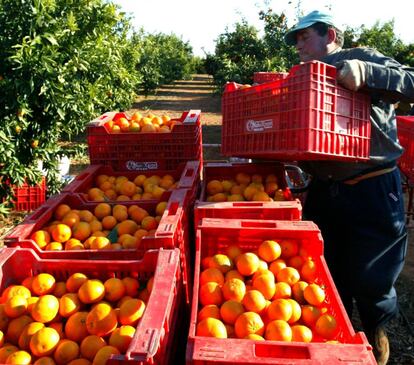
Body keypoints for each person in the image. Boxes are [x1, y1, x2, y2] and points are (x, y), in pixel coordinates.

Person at [284, 10, 414, 365]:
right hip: (328, 190)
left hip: (373, 188)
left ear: (330, 35)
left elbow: (411, 81)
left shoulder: (362, 57)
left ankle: (377, 329)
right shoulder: (302, 78)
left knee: (373, 275)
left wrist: (366, 74)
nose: (298, 45)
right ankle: (335, 339)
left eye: (304, 37)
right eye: (296, 40)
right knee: (327, 270)